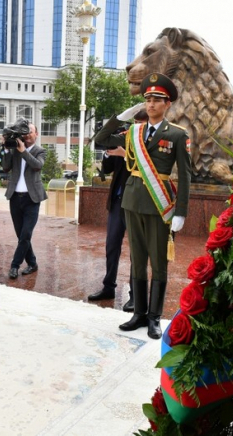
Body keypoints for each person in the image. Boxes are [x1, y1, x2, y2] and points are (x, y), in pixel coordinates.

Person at [116, 73, 192, 339]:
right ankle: (138, 314)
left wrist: (181, 211)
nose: (150, 104)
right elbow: (103, 138)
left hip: (159, 205)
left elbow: (185, 174)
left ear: (167, 104)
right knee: (137, 260)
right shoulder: (134, 131)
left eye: (156, 100)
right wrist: (121, 117)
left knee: (158, 262)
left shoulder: (178, 135)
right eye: (147, 99)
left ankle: (154, 317)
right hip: (133, 201)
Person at [88, 109, 148, 312]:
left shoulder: (150, 142)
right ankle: (108, 287)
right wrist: (109, 151)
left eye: (141, 122)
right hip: (117, 202)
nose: (137, 126)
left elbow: (149, 170)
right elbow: (108, 168)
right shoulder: (125, 137)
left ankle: (134, 295)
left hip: (137, 205)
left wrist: (127, 155)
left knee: (136, 252)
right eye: (135, 122)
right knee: (111, 246)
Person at [1, 121, 47, 279]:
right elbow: (5, 167)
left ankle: (15, 265)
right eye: (25, 132)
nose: (27, 135)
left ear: (36, 134)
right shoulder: (14, 151)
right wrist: (6, 149)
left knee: (26, 234)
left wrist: (24, 151)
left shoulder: (40, 151)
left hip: (32, 199)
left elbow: (37, 166)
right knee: (21, 235)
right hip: (15, 198)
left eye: (30, 132)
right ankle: (32, 263)